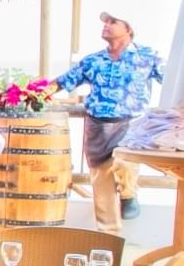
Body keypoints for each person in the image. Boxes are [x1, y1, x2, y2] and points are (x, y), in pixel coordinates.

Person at [55, 12, 166, 229]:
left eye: (113, 22)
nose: (106, 25)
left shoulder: (147, 56)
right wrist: (30, 93)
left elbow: (172, 79)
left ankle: (128, 193)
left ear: (128, 29)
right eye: (105, 22)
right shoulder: (92, 60)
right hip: (97, 125)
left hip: (131, 122)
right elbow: (64, 81)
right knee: (101, 179)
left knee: (126, 161)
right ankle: (109, 236)